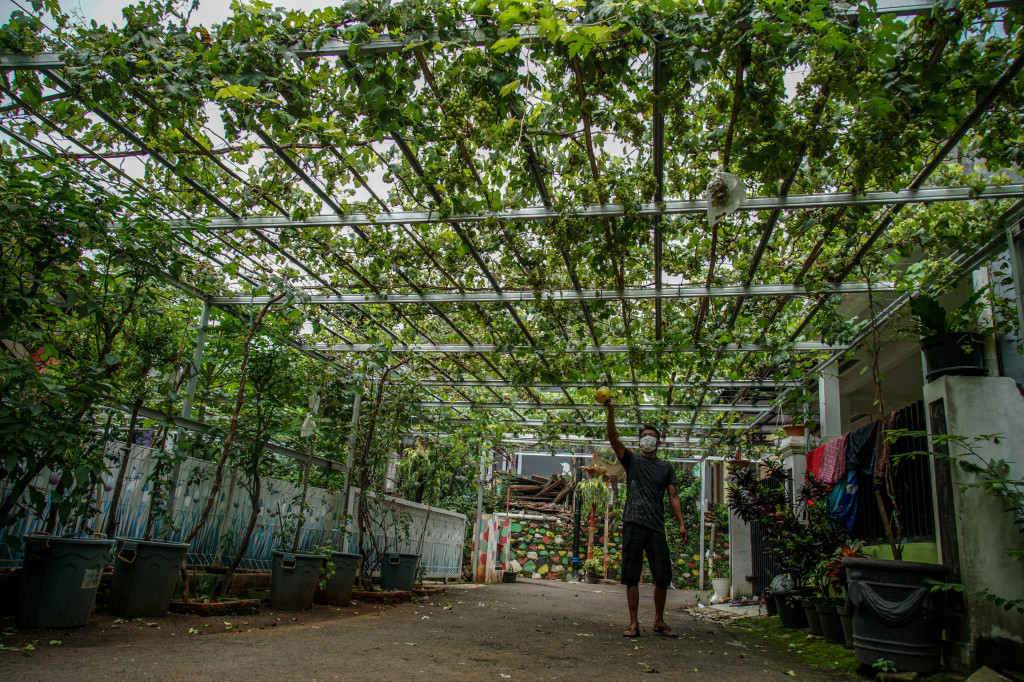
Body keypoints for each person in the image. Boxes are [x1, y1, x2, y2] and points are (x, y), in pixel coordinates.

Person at [604, 397, 688, 638]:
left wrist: (681, 523)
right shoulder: (632, 461)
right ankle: (633, 623)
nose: (648, 438)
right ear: (640, 441)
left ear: (658, 442)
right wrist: (611, 410)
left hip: (656, 527)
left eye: (652, 435)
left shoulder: (665, 467)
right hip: (633, 523)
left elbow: (673, 496)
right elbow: (613, 438)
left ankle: (659, 621)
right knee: (631, 575)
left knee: (662, 575)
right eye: (645, 435)